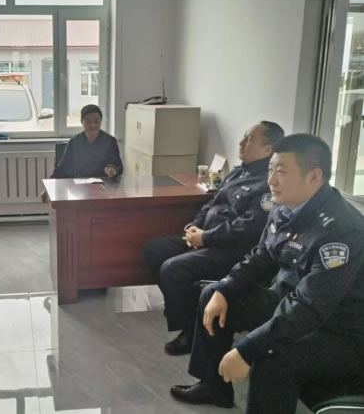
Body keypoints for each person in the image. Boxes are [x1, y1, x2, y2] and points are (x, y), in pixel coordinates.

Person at [170, 134, 364, 414]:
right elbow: (261, 257)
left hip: (337, 330)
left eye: (281, 172)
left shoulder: (341, 230)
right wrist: (225, 286)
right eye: (270, 169)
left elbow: (310, 307)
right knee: (213, 294)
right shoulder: (284, 206)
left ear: (314, 176)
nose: (271, 180)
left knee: (272, 356)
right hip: (287, 302)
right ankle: (213, 386)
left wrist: (247, 349)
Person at [142, 121, 284, 355]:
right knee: (154, 249)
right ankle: (183, 308)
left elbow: (248, 228)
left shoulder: (267, 184)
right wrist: (194, 226)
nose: (241, 142)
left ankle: (191, 332)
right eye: (244, 136)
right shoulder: (238, 171)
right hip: (206, 238)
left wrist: (205, 238)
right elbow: (213, 202)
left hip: (231, 250)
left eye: (250, 139)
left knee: (172, 269)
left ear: (267, 149)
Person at [41, 104, 122, 202]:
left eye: (96, 121)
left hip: (103, 190)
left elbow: (118, 166)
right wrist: (48, 188)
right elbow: (62, 168)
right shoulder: (74, 142)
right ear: (82, 122)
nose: (93, 125)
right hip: (79, 189)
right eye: (88, 121)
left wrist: (113, 170)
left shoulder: (110, 141)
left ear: (101, 122)